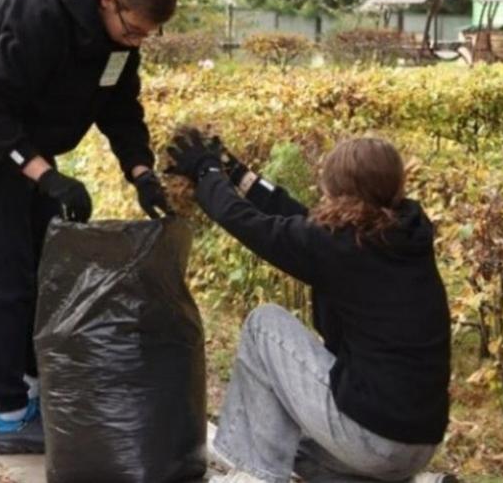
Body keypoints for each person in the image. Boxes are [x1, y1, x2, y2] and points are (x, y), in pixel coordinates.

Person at [0, 0, 178, 455]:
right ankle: (7, 414)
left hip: (29, 143)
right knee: (5, 276)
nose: (138, 42)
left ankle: (32, 382)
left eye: (146, 36)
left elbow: (120, 108)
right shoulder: (39, 15)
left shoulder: (119, 39)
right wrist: (46, 176)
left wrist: (142, 172)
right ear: (108, 0)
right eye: (134, 31)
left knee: (44, 272)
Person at [165, 133, 452, 483]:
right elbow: (298, 217)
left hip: (372, 439)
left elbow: (250, 224)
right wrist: (237, 173)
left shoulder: (339, 245)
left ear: (339, 188)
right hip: (417, 444)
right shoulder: (402, 234)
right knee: (295, 451)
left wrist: (206, 171)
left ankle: (254, 477)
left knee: (263, 325)